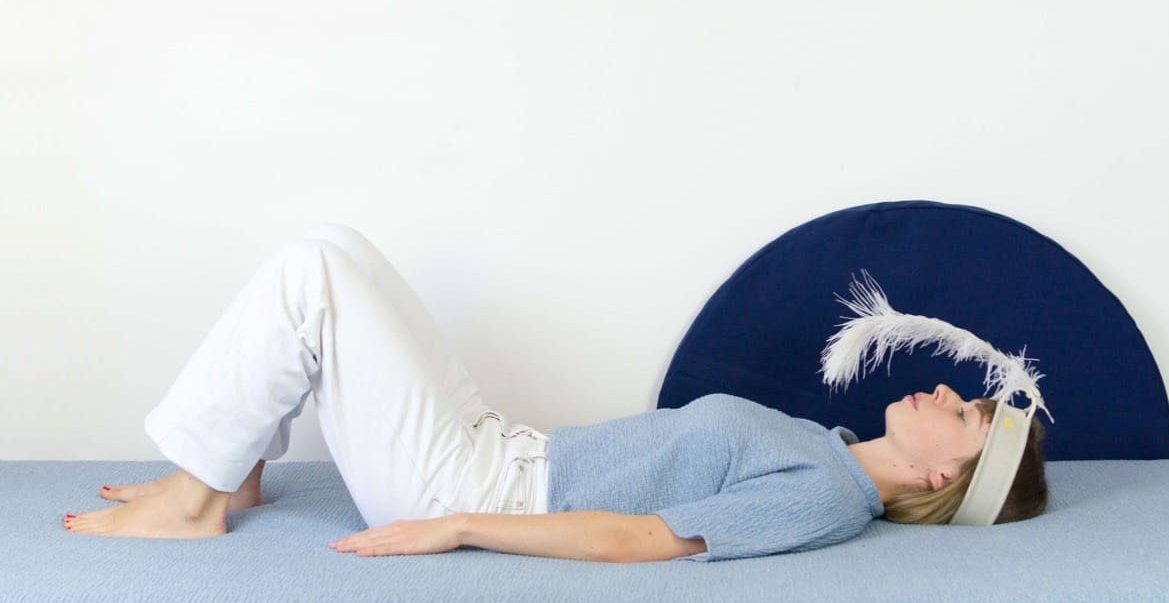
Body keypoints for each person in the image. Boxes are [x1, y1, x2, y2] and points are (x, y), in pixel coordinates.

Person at [63, 223, 1048, 562]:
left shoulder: (826, 496)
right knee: (337, 250)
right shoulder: (821, 445)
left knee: (312, 273)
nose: (942, 390)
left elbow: (643, 540)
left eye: (965, 414)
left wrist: (458, 525)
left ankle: (195, 500)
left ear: (945, 480)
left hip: (481, 483)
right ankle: (230, 467)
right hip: (502, 446)